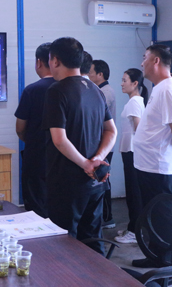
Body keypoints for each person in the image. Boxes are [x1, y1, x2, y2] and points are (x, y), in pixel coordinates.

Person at [42, 37, 117, 255]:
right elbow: (111, 131)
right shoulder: (95, 89)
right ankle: (99, 277)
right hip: (95, 181)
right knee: (92, 241)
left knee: (64, 244)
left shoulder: (56, 91)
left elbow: (59, 139)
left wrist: (85, 163)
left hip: (67, 182)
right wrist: (97, 160)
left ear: (55, 61)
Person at [132, 44, 172, 267]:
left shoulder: (168, 89)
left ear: (156, 61)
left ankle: (171, 267)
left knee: (164, 219)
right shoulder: (160, 88)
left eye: (145, 58)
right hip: (148, 164)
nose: (142, 63)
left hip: (158, 167)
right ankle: (157, 258)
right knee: (154, 218)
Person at [15, 42, 56, 218]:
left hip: (36, 157)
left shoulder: (32, 90)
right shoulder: (70, 88)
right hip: (64, 160)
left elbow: (20, 128)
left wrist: (33, 141)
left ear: (39, 62)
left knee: (36, 209)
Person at [114, 68, 148, 244]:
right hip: (130, 151)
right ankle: (133, 227)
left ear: (135, 83)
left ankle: (135, 232)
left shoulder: (135, 102)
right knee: (132, 191)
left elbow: (139, 128)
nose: (121, 83)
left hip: (133, 151)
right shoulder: (134, 101)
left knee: (134, 193)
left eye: (124, 80)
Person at [89, 59, 117, 229]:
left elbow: (95, 115)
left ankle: (107, 218)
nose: (88, 75)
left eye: (91, 72)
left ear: (100, 74)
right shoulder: (100, 90)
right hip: (101, 144)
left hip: (104, 146)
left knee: (102, 180)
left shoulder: (105, 92)